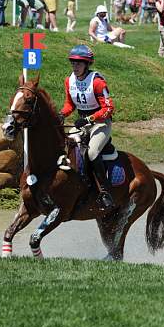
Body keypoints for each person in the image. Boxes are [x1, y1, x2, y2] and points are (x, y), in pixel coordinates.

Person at [59, 45, 115, 210]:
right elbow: (70, 104)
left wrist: (89, 119)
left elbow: (108, 108)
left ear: (86, 64)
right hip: (82, 123)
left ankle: (105, 192)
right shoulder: (69, 80)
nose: (75, 67)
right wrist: (62, 114)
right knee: (67, 146)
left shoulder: (97, 82)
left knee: (91, 152)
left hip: (101, 123)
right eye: (73, 63)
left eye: (79, 63)